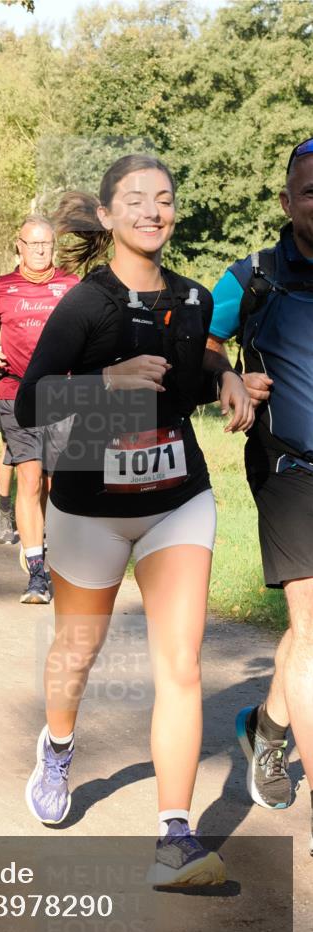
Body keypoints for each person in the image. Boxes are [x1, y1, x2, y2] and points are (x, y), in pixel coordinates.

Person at [16, 154, 253, 885]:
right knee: (76, 654)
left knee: (180, 665)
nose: (154, 210)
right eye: (137, 200)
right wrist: (103, 381)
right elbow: (30, 406)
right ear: (111, 216)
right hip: (90, 501)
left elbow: (192, 363)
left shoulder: (191, 297)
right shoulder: (85, 305)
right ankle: (57, 747)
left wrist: (227, 375)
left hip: (177, 495)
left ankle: (174, 835)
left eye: (165, 198)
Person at [208, 138, 313, 848]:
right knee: (312, 632)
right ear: (286, 202)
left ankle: (267, 729)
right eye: (310, 191)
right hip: (290, 468)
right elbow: (201, 344)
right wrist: (228, 379)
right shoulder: (251, 277)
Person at [0, 216, 79, 603]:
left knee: (54, 486)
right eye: (33, 244)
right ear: (18, 245)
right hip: (15, 391)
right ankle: (37, 574)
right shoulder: (2, 287)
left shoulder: (71, 286)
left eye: (47, 244)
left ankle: (41, 542)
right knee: (30, 479)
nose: (40, 251)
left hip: (61, 394)